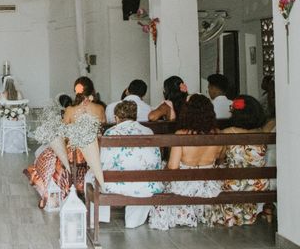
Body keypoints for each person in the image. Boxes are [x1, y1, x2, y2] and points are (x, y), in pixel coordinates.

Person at [25, 77, 104, 208]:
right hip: (96, 151)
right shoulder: (100, 108)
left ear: (76, 91)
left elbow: (64, 133)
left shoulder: (70, 110)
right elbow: (102, 129)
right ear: (92, 89)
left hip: (75, 152)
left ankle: (59, 190)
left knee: (46, 156)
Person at [149, 95, 223, 230]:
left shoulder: (181, 134)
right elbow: (220, 158)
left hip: (184, 186)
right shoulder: (218, 133)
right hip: (209, 186)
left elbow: (173, 167)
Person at [87, 101, 163, 228]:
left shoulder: (111, 132)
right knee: (141, 174)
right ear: (135, 116)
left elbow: (103, 164)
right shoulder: (148, 131)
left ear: (116, 118)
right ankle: (133, 221)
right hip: (146, 184)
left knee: (90, 176)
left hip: (116, 184)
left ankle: (100, 218)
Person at [206, 95, 269, 227]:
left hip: (234, 183)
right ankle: (247, 214)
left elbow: (220, 158)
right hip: (258, 183)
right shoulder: (261, 132)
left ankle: (227, 216)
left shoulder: (227, 132)